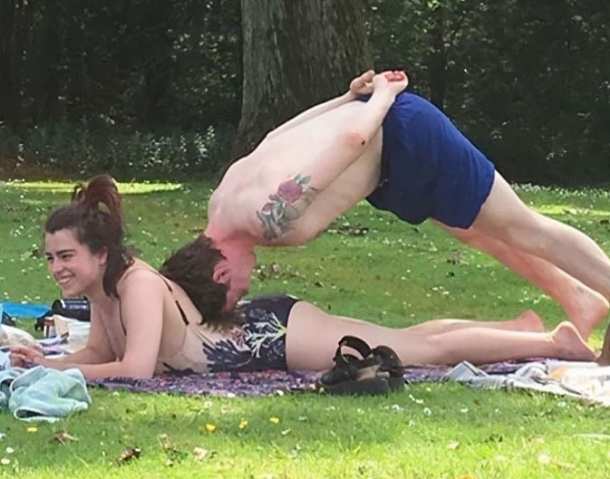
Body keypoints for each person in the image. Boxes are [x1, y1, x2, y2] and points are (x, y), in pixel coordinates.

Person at [9, 176, 596, 380]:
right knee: (410, 337)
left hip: (277, 335)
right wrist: (48, 362)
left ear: (101, 253)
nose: (58, 268)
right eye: (51, 258)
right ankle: (514, 330)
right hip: (267, 331)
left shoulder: (136, 283)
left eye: (66, 256)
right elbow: (99, 353)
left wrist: (63, 371)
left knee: (418, 352)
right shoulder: (104, 290)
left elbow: (135, 368)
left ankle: (554, 343)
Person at [203, 69, 610, 339]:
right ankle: (578, 298)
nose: (248, 286)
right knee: (471, 230)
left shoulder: (267, 221)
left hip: (406, 137)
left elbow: (354, 140)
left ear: (221, 273)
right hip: (389, 167)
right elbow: (275, 136)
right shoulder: (220, 201)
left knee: (525, 228)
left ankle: (596, 288)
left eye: (237, 292)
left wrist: (381, 97)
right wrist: (346, 98)